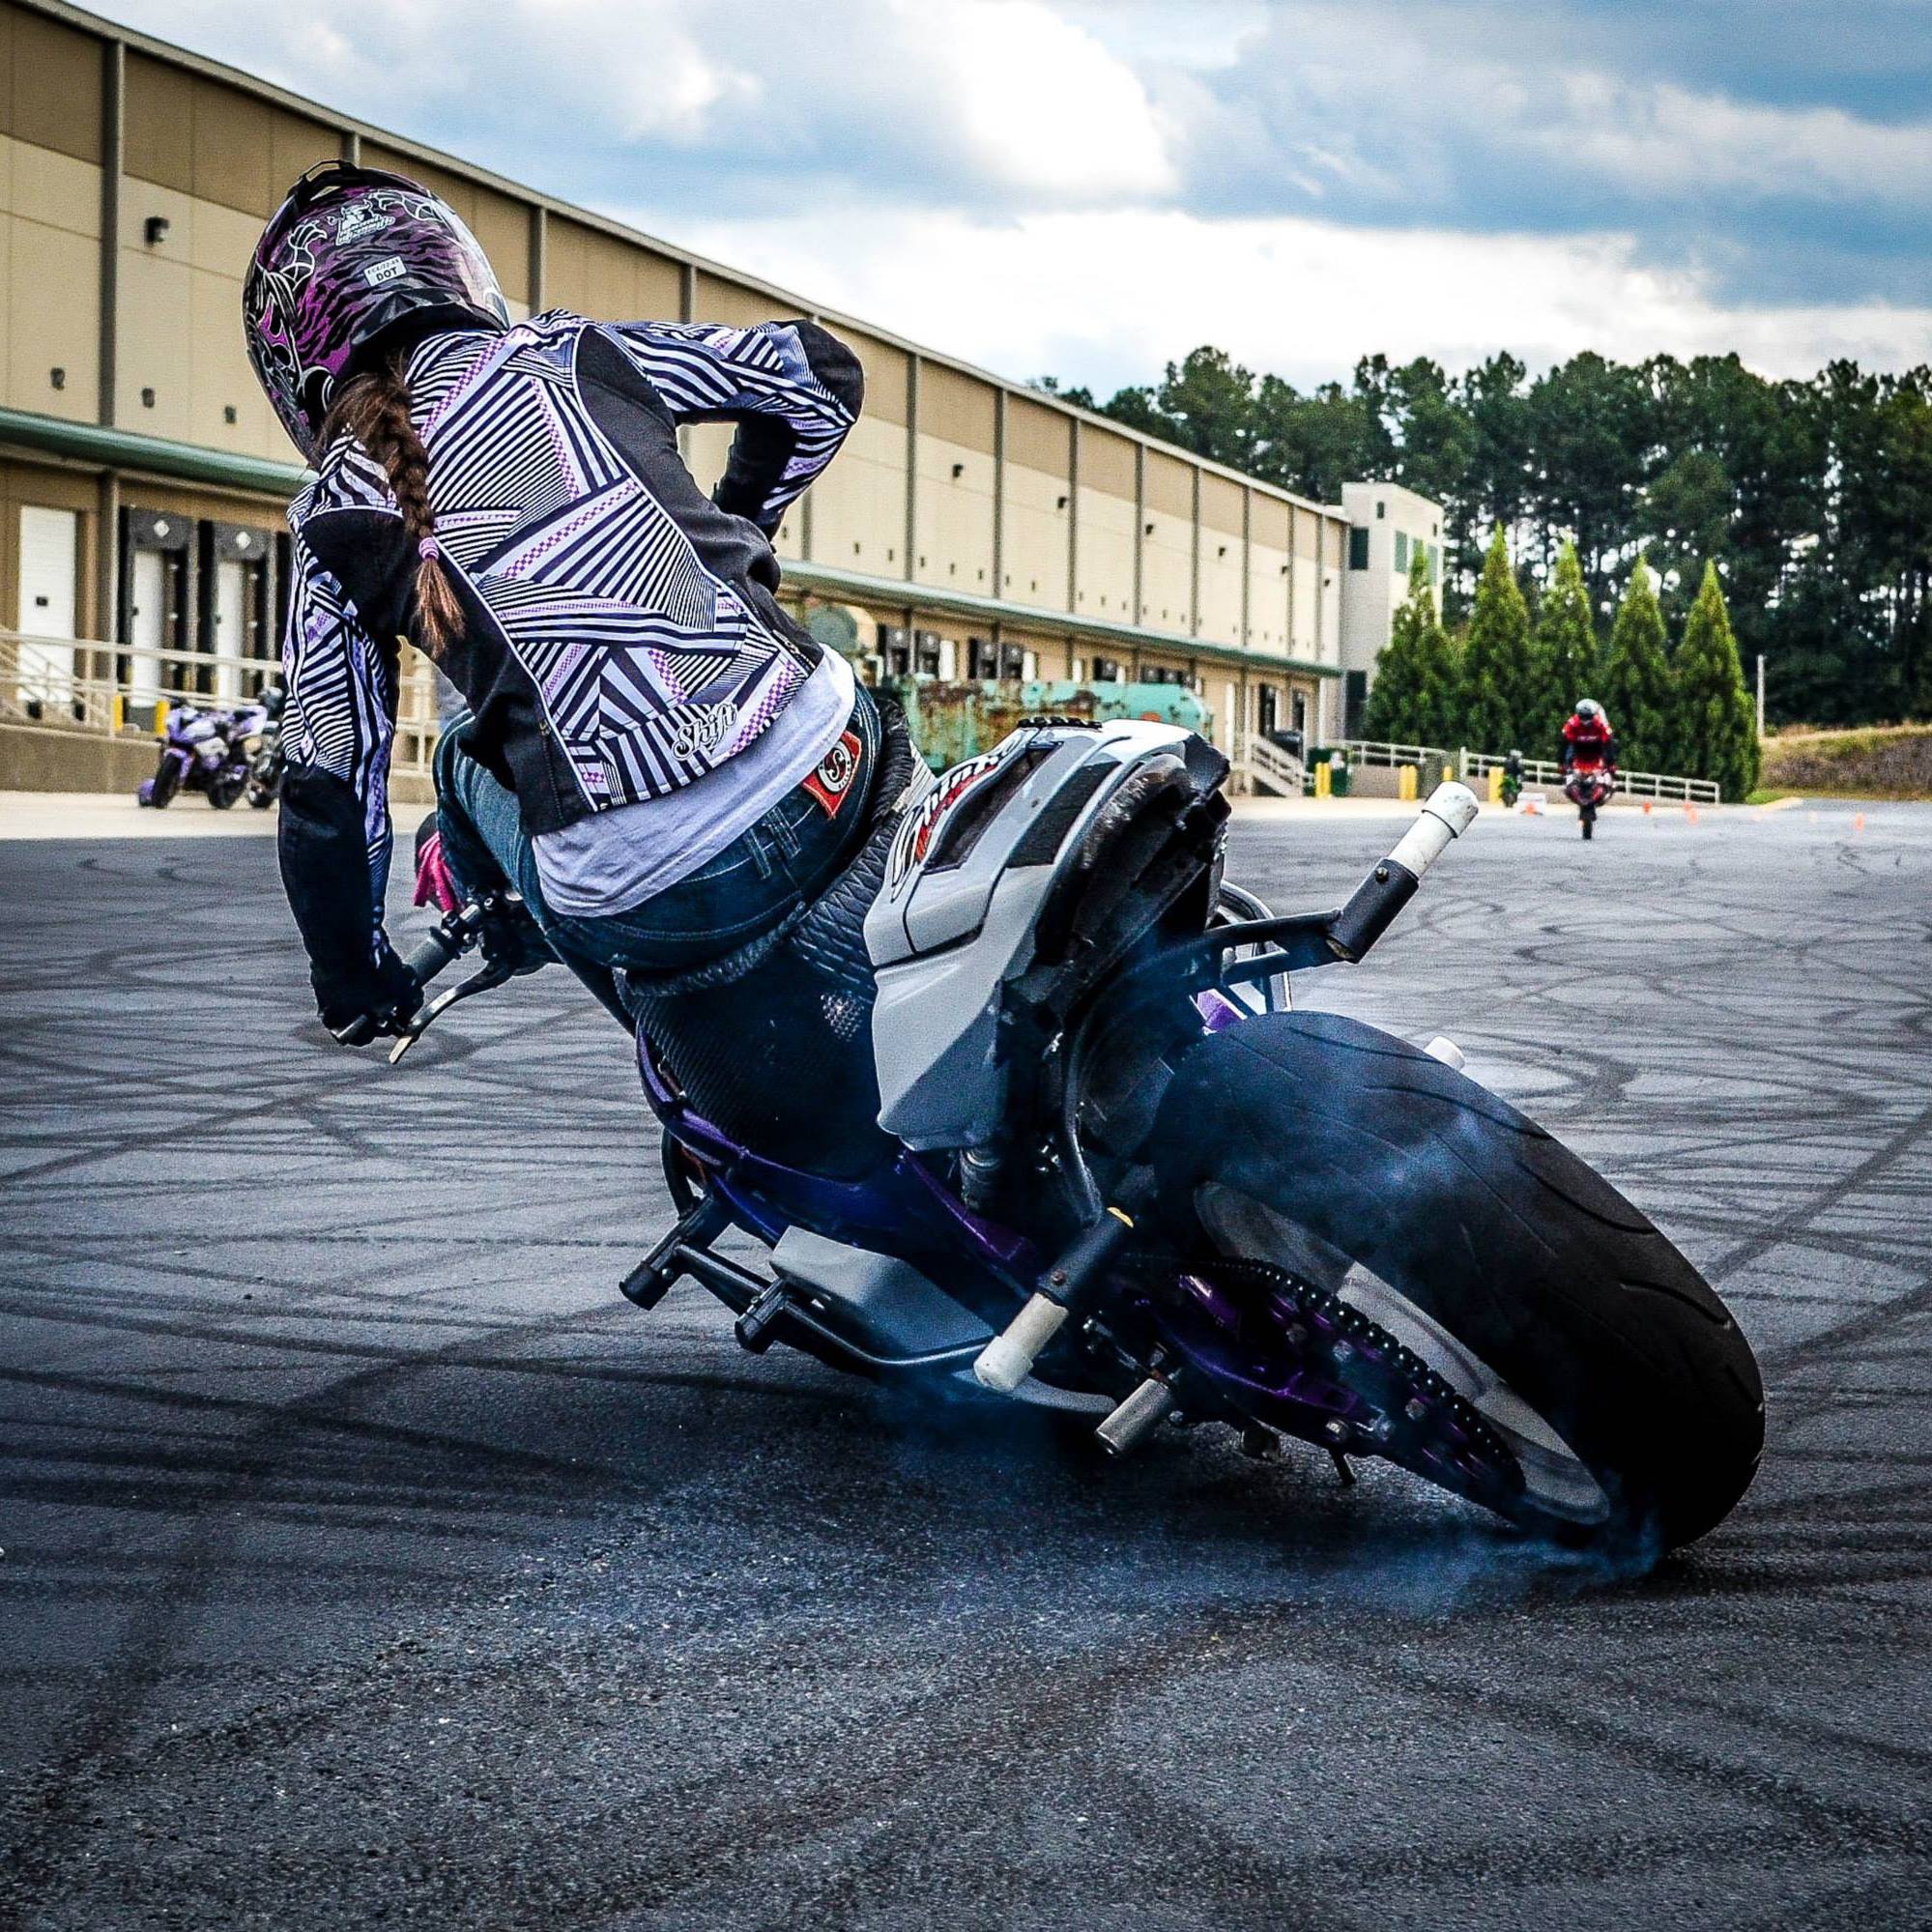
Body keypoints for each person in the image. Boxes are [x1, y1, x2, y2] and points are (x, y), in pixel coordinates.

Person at [243, 161, 876, 1043]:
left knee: (465, 763)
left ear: (294, 369)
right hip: (834, 752)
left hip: (649, 876)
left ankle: (646, 1024)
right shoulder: (574, 352)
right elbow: (817, 374)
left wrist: (353, 977)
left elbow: (329, 780)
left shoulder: (335, 514)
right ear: (457, 272)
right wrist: (741, 535)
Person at [1561, 699, 1616, 780]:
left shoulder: (1600, 720)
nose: (1585, 721)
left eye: (1588, 717)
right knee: (1569, 745)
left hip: (1596, 744)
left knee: (1607, 746)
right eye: (1582, 717)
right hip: (1580, 746)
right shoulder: (1573, 721)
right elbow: (1566, 735)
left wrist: (1610, 762)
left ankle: (1608, 768)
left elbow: (1607, 734)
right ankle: (1567, 766)